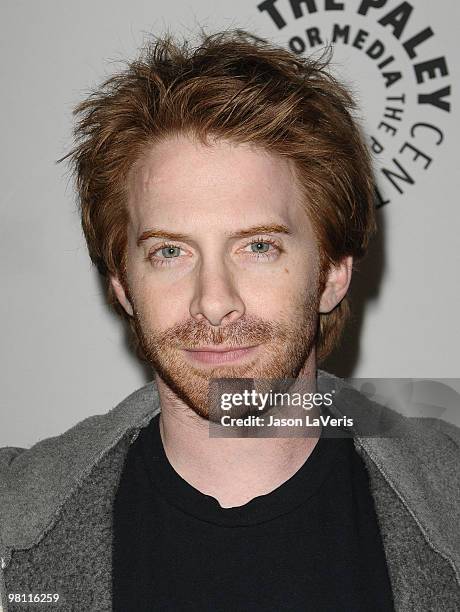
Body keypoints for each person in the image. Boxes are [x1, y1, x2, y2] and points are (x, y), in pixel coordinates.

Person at [0, 29, 458, 612]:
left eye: (258, 247)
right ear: (122, 286)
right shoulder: (11, 521)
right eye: (171, 251)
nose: (213, 302)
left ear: (333, 274)